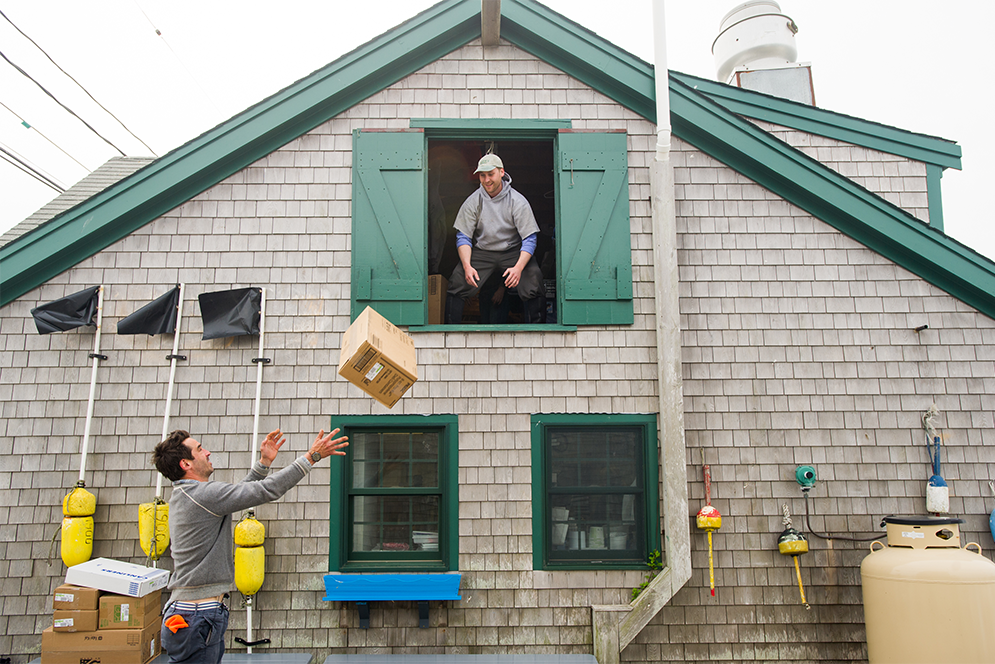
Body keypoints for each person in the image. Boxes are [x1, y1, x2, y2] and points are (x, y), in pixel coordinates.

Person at [152, 427, 349, 664]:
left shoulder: (192, 495)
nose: (207, 452)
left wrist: (264, 463)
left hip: (195, 614)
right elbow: (265, 491)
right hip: (196, 615)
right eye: (200, 449)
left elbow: (239, 494)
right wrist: (311, 457)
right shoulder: (202, 495)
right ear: (186, 464)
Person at [445, 153, 545, 324]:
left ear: (501, 172)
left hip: (512, 251)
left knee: (534, 278)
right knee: (457, 280)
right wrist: (467, 266)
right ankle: (448, 334)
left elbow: (529, 238)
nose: (486, 180)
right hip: (483, 251)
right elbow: (463, 236)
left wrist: (519, 268)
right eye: (482, 175)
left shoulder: (518, 201)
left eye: (490, 174)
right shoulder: (473, 202)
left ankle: (539, 334)